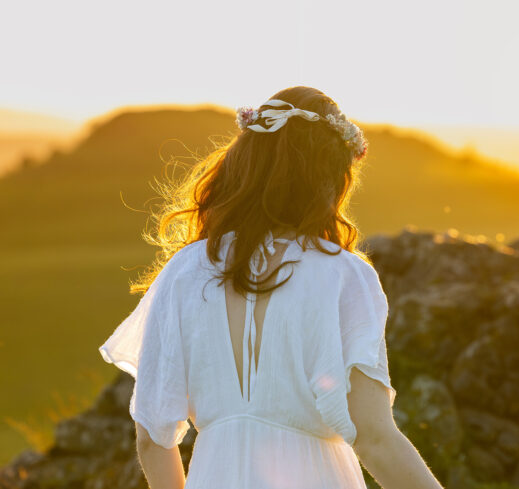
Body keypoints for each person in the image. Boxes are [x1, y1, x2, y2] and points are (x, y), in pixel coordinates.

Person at [98, 86, 444, 489]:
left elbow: (151, 438)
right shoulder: (344, 276)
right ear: (330, 178)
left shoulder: (184, 272)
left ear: (246, 164)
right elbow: (376, 438)